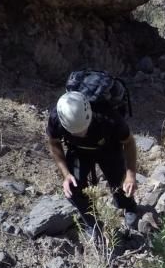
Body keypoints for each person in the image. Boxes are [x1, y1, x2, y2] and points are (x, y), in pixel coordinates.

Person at [46, 91, 139, 235]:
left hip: (108, 147)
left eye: (84, 128)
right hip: (78, 151)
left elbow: (129, 142)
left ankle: (128, 206)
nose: (82, 134)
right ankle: (93, 222)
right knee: (73, 187)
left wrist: (131, 174)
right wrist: (66, 175)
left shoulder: (108, 117)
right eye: (76, 132)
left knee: (119, 180)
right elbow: (54, 143)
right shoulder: (56, 119)